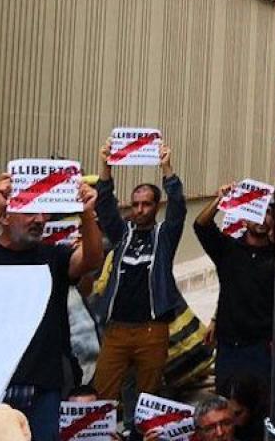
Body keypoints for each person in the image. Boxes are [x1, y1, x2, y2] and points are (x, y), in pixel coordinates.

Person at [0, 169, 103, 441]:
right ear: (5, 217)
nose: (40, 219)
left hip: (43, 384)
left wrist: (86, 213)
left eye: (44, 212)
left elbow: (91, 260)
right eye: (29, 212)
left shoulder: (55, 256)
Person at [92, 137, 188, 401]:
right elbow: (104, 205)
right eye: (135, 204)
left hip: (151, 330)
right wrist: (106, 166)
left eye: (146, 204)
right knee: (102, 394)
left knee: (149, 399)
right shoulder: (122, 233)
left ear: (156, 205)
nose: (139, 209)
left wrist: (167, 169)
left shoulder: (165, 235)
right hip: (117, 330)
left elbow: (178, 207)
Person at [195, 181, 275, 394]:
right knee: (226, 403)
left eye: (267, 212)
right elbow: (201, 225)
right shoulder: (228, 250)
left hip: (261, 348)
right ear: (243, 217)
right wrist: (220, 200)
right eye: (255, 211)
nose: (261, 217)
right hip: (229, 347)